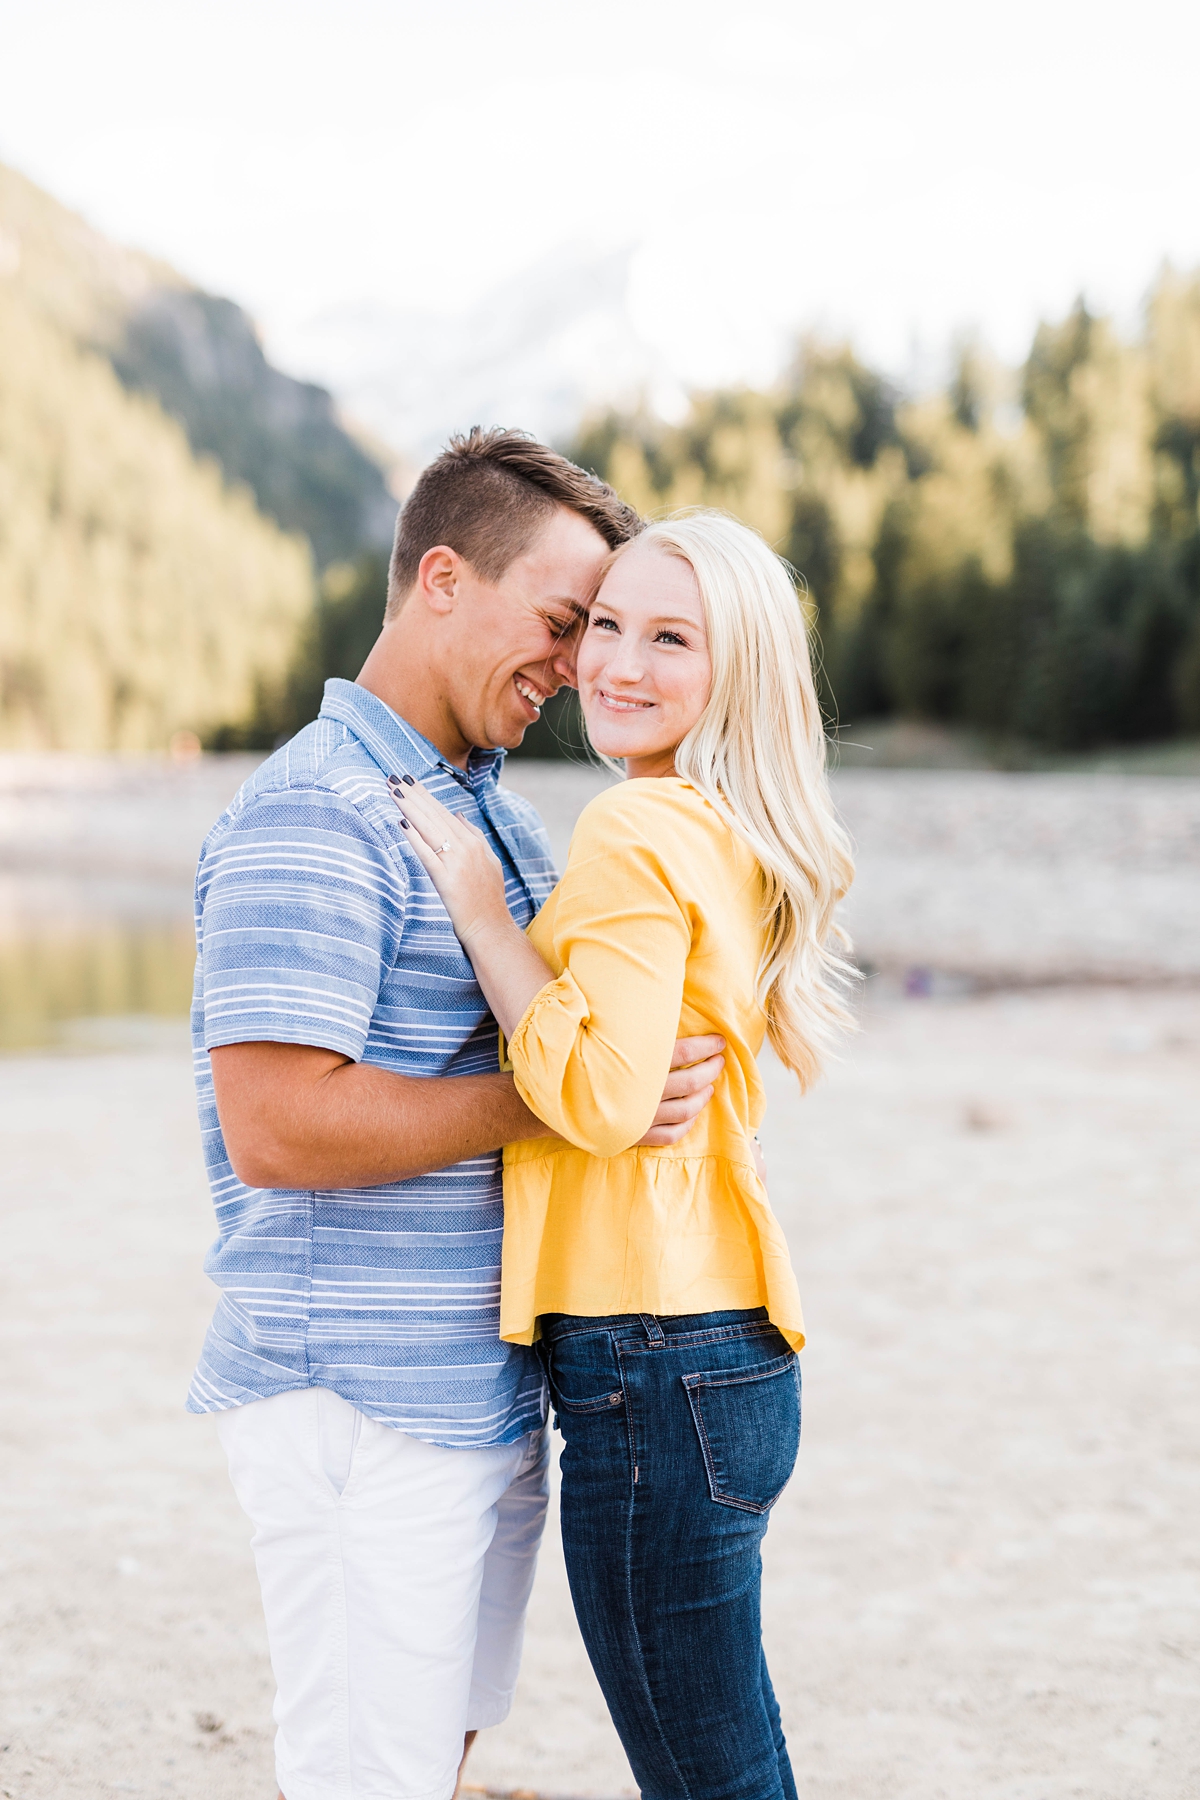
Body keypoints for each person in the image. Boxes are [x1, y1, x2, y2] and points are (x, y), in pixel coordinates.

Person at [187, 430, 726, 1800]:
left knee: (430, 1758)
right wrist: (562, 1103)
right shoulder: (319, 812)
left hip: (473, 1389)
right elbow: (278, 1128)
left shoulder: (484, 812)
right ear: (442, 579)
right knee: (363, 1774)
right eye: (562, 622)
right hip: (359, 1400)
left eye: (604, 628)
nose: (579, 663)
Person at [393, 508, 857, 1800]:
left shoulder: (638, 831)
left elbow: (601, 1096)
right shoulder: (727, 831)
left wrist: (489, 920)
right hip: (722, 1352)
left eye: (671, 639)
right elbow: (632, 1068)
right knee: (728, 1751)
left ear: (738, 674)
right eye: (604, 625)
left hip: (653, 1359)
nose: (616, 664)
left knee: (706, 1774)